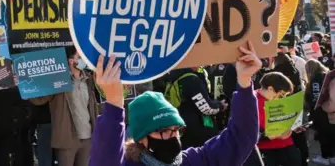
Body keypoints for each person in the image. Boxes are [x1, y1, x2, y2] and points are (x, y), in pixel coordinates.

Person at [90, 40, 262, 166]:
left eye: (176, 130)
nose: (173, 137)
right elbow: (104, 160)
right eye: (163, 131)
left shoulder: (192, 161)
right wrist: (113, 104)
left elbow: (242, 136)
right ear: (141, 138)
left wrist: (245, 83)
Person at [30, 47, 99, 166]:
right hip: (67, 139)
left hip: (88, 137)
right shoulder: (58, 81)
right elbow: (39, 100)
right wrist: (25, 86)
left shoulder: (89, 79)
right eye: (80, 57)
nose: (84, 60)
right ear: (71, 61)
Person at [163, 67, 227, 148]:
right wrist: (221, 106)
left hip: (181, 126)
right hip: (198, 129)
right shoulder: (191, 79)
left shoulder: (174, 75)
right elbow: (207, 108)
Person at [255, 72, 300, 166]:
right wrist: (268, 136)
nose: (282, 98)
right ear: (270, 89)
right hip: (266, 148)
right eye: (281, 95)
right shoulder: (252, 101)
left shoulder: (274, 99)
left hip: (286, 142)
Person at [305, 59, 333, 165]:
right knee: (330, 132)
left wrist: (314, 110)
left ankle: (326, 157)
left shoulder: (316, 77)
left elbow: (316, 97)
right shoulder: (327, 74)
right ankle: (331, 156)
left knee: (323, 134)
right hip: (330, 108)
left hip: (321, 110)